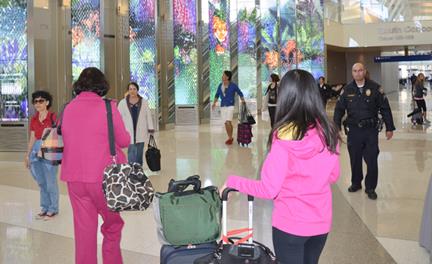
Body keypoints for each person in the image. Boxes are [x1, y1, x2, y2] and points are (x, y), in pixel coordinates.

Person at [222, 69, 341, 264]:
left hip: (290, 224)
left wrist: (233, 181)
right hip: (321, 223)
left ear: (285, 97)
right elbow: (333, 175)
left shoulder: (284, 136)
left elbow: (269, 189)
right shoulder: (328, 131)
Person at [61, 67, 130, 264]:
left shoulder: (67, 108)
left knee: (84, 232)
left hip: (74, 178)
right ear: (102, 85)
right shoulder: (109, 108)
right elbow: (124, 140)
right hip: (105, 179)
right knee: (112, 226)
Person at [333, 62, 395, 200]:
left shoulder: (375, 88)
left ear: (364, 71)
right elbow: (339, 109)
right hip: (354, 131)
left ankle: (371, 187)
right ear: (352, 73)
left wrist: (389, 128)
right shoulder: (347, 90)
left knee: (372, 159)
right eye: (355, 71)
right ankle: (356, 183)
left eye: (360, 70)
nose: (357, 73)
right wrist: (336, 126)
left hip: (370, 131)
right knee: (355, 159)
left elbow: (385, 108)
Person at [25, 91, 59, 220]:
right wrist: (27, 155)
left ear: (47, 102)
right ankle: (44, 207)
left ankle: (53, 208)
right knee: (41, 182)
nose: (38, 104)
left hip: (50, 150)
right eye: (35, 101)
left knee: (51, 181)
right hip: (35, 152)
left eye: (41, 101)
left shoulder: (53, 117)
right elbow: (32, 138)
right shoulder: (33, 119)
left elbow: (60, 135)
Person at [118, 82, 154, 165]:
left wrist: (150, 128)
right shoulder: (122, 103)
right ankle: (131, 168)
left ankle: (139, 169)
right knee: (131, 151)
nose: (132, 91)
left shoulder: (144, 102)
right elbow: (118, 118)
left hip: (141, 131)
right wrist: (119, 130)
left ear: (137, 90)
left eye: (134, 89)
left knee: (139, 152)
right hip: (129, 131)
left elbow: (148, 115)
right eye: (130, 89)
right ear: (128, 90)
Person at [212, 70, 245, 145]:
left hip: (230, 105)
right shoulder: (220, 85)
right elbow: (217, 95)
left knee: (228, 121)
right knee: (226, 123)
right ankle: (230, 137)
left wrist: (243, 100)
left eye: (223, 75)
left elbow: (240, 92)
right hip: (223, 106)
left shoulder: (233, 85)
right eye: (222, 75)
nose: (222, 76)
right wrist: (214, 103)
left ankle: (230, 138)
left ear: (227, 77)